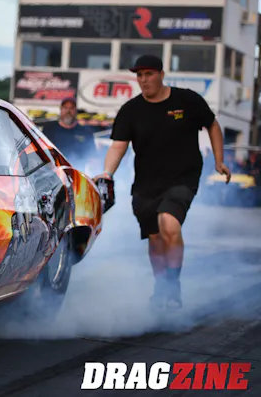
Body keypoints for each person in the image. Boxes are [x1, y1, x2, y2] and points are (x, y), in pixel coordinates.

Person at [94, 55, 230, 310]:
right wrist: (107, 173)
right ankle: (162, 287)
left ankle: (173, 284)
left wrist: (219, 160)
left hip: (183, 177)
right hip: (146, 183)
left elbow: (212, 126)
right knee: (155, 237)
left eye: (149, 74)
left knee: (169, 223)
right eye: (140, 75)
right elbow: (118, 146)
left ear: (161, 74)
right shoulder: (131, 110)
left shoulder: (186, 100)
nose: (144, 80)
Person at [42, 97, 98, 169]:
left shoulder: (85, 132)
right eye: (65, 107)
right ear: (61, 109)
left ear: (75, 111)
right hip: (53, 170)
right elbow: (41, 152)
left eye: (71, 108)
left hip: (77, 171)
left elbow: (93, 157)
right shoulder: (49, 129)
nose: (68, 111)